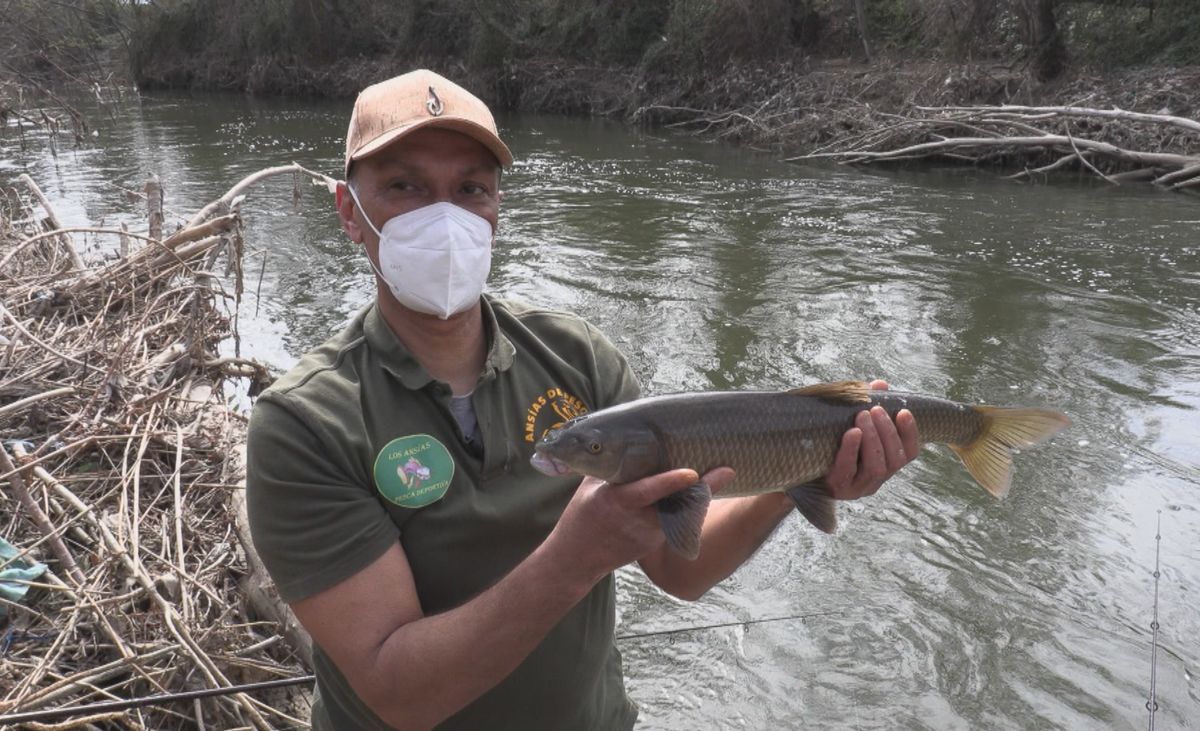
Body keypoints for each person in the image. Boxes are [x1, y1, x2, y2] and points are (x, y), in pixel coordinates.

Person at [245, 69, 920, 731]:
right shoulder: (305, 423)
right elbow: (401, 696)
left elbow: (679, 567)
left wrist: (796, 473)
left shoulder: (575, 358)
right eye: (404, 186)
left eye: (470, 188)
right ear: (348, 212)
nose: (443, 215)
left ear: (496, 210)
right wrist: (575, 557)